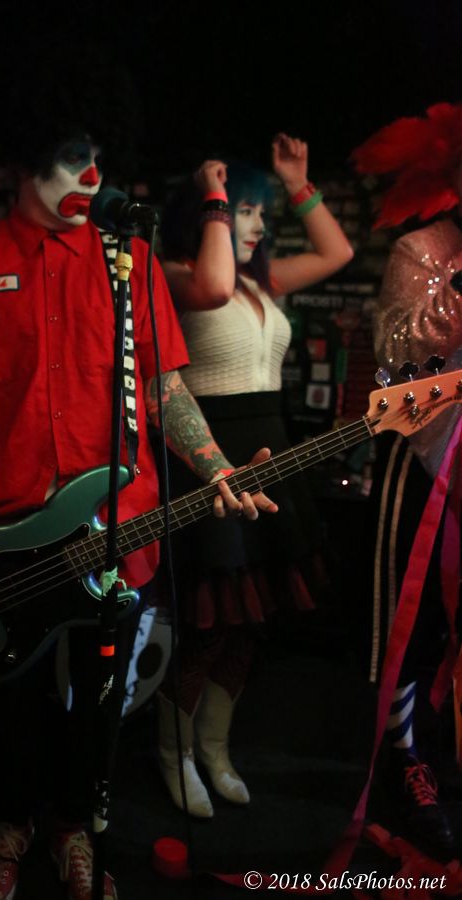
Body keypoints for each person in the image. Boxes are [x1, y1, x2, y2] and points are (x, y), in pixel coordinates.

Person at [0, 76, 278, 900]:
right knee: (9, 705)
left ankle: (74, 828)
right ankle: (5, 829)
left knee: (98, 702)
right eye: (71, 157)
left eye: (99, 158)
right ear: (21, 160)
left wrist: (216, 467)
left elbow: (164, 387)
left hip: (115, 535)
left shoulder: (130, 264)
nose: (92, 178)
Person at [156, 136, 353, 817]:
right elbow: (210, 286)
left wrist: (297, 184)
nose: (258, 226)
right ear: (207, 212)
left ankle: (214, 749)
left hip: (272, 455)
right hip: (208, 458)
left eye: (259, 213)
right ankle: (174, 753)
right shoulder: (175, 274)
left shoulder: (260, 282)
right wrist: (214, 193)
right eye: (246, 210)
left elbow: (338, 253)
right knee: (209, 625)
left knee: (251, 624)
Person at [352, 102, 462, 855]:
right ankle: (406, 760)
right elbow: (399, 352)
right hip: (426, 457)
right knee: (413, 623)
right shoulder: (422, 249)